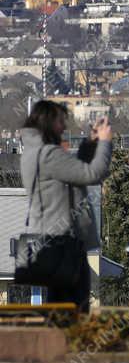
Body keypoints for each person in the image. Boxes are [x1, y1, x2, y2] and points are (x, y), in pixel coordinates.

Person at [19, 100, 112, 312]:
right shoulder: (49, 155)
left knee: (60, 307)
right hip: (65, 242)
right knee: (72, 310)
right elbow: (91, 174)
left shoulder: (35, 152)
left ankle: (59, 343)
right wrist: (105, 143)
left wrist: (90, 144)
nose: (64, 127)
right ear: (49, 123)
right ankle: (68, 345)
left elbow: (74, 172)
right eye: (61, 121)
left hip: (51, 241)